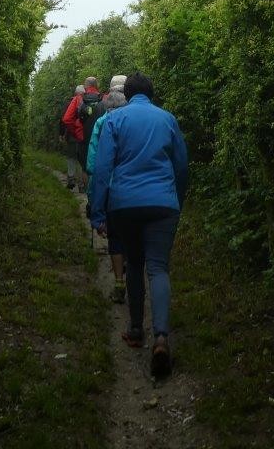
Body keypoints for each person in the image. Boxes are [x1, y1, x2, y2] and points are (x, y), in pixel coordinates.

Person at [89, 72, 188, 378]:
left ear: (128, 94)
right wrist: (177, 199)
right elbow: (182, 166)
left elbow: (103, 169)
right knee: (158, 268)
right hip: (163, 204)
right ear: (152, 92)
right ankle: (161, 337)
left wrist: (98, 212)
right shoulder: (167, 119)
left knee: (134, 264)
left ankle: (134, 330)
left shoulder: (116, 121)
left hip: (125, 204)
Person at [85, 87, 128, 303]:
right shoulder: (132, 122)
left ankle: (119, 281)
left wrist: (94, 198)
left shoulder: (102, 122)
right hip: (128, 186)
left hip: (109, 188)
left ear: (108, 105)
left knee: (115, 236)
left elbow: (94, 162)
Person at [60, 76, 100, 192]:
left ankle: (86, 192)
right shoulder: (103, 98)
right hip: (100, 137)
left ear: (85, 86)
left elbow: (67, 119)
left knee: (84, 165)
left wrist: (76, 132)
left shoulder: (78, 99)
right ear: (96, 85)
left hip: (83, 137)